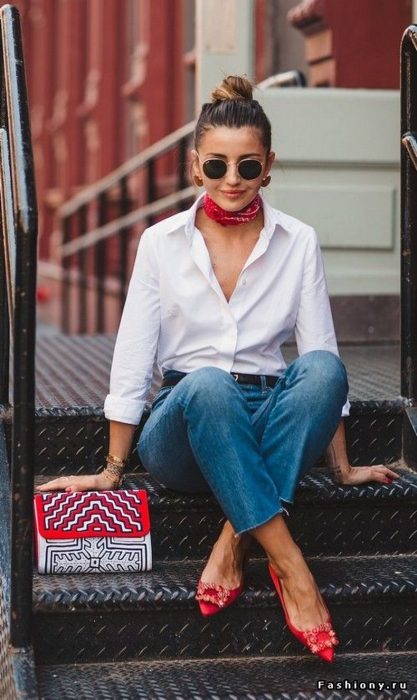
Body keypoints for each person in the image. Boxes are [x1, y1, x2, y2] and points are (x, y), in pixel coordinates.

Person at [38, 75, 400, 663]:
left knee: (325, 370)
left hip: (265, 411)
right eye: (216, 166)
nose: (232, 180)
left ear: (269, 166)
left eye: (247, 165)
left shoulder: (298, 241)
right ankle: (291, 566)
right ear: (193, 167)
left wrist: (342, 465)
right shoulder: (160, 243)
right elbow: (133, 357)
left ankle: (235, 539)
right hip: (183, 424)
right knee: (208, 383)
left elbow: (320, 353)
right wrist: (111, 470)